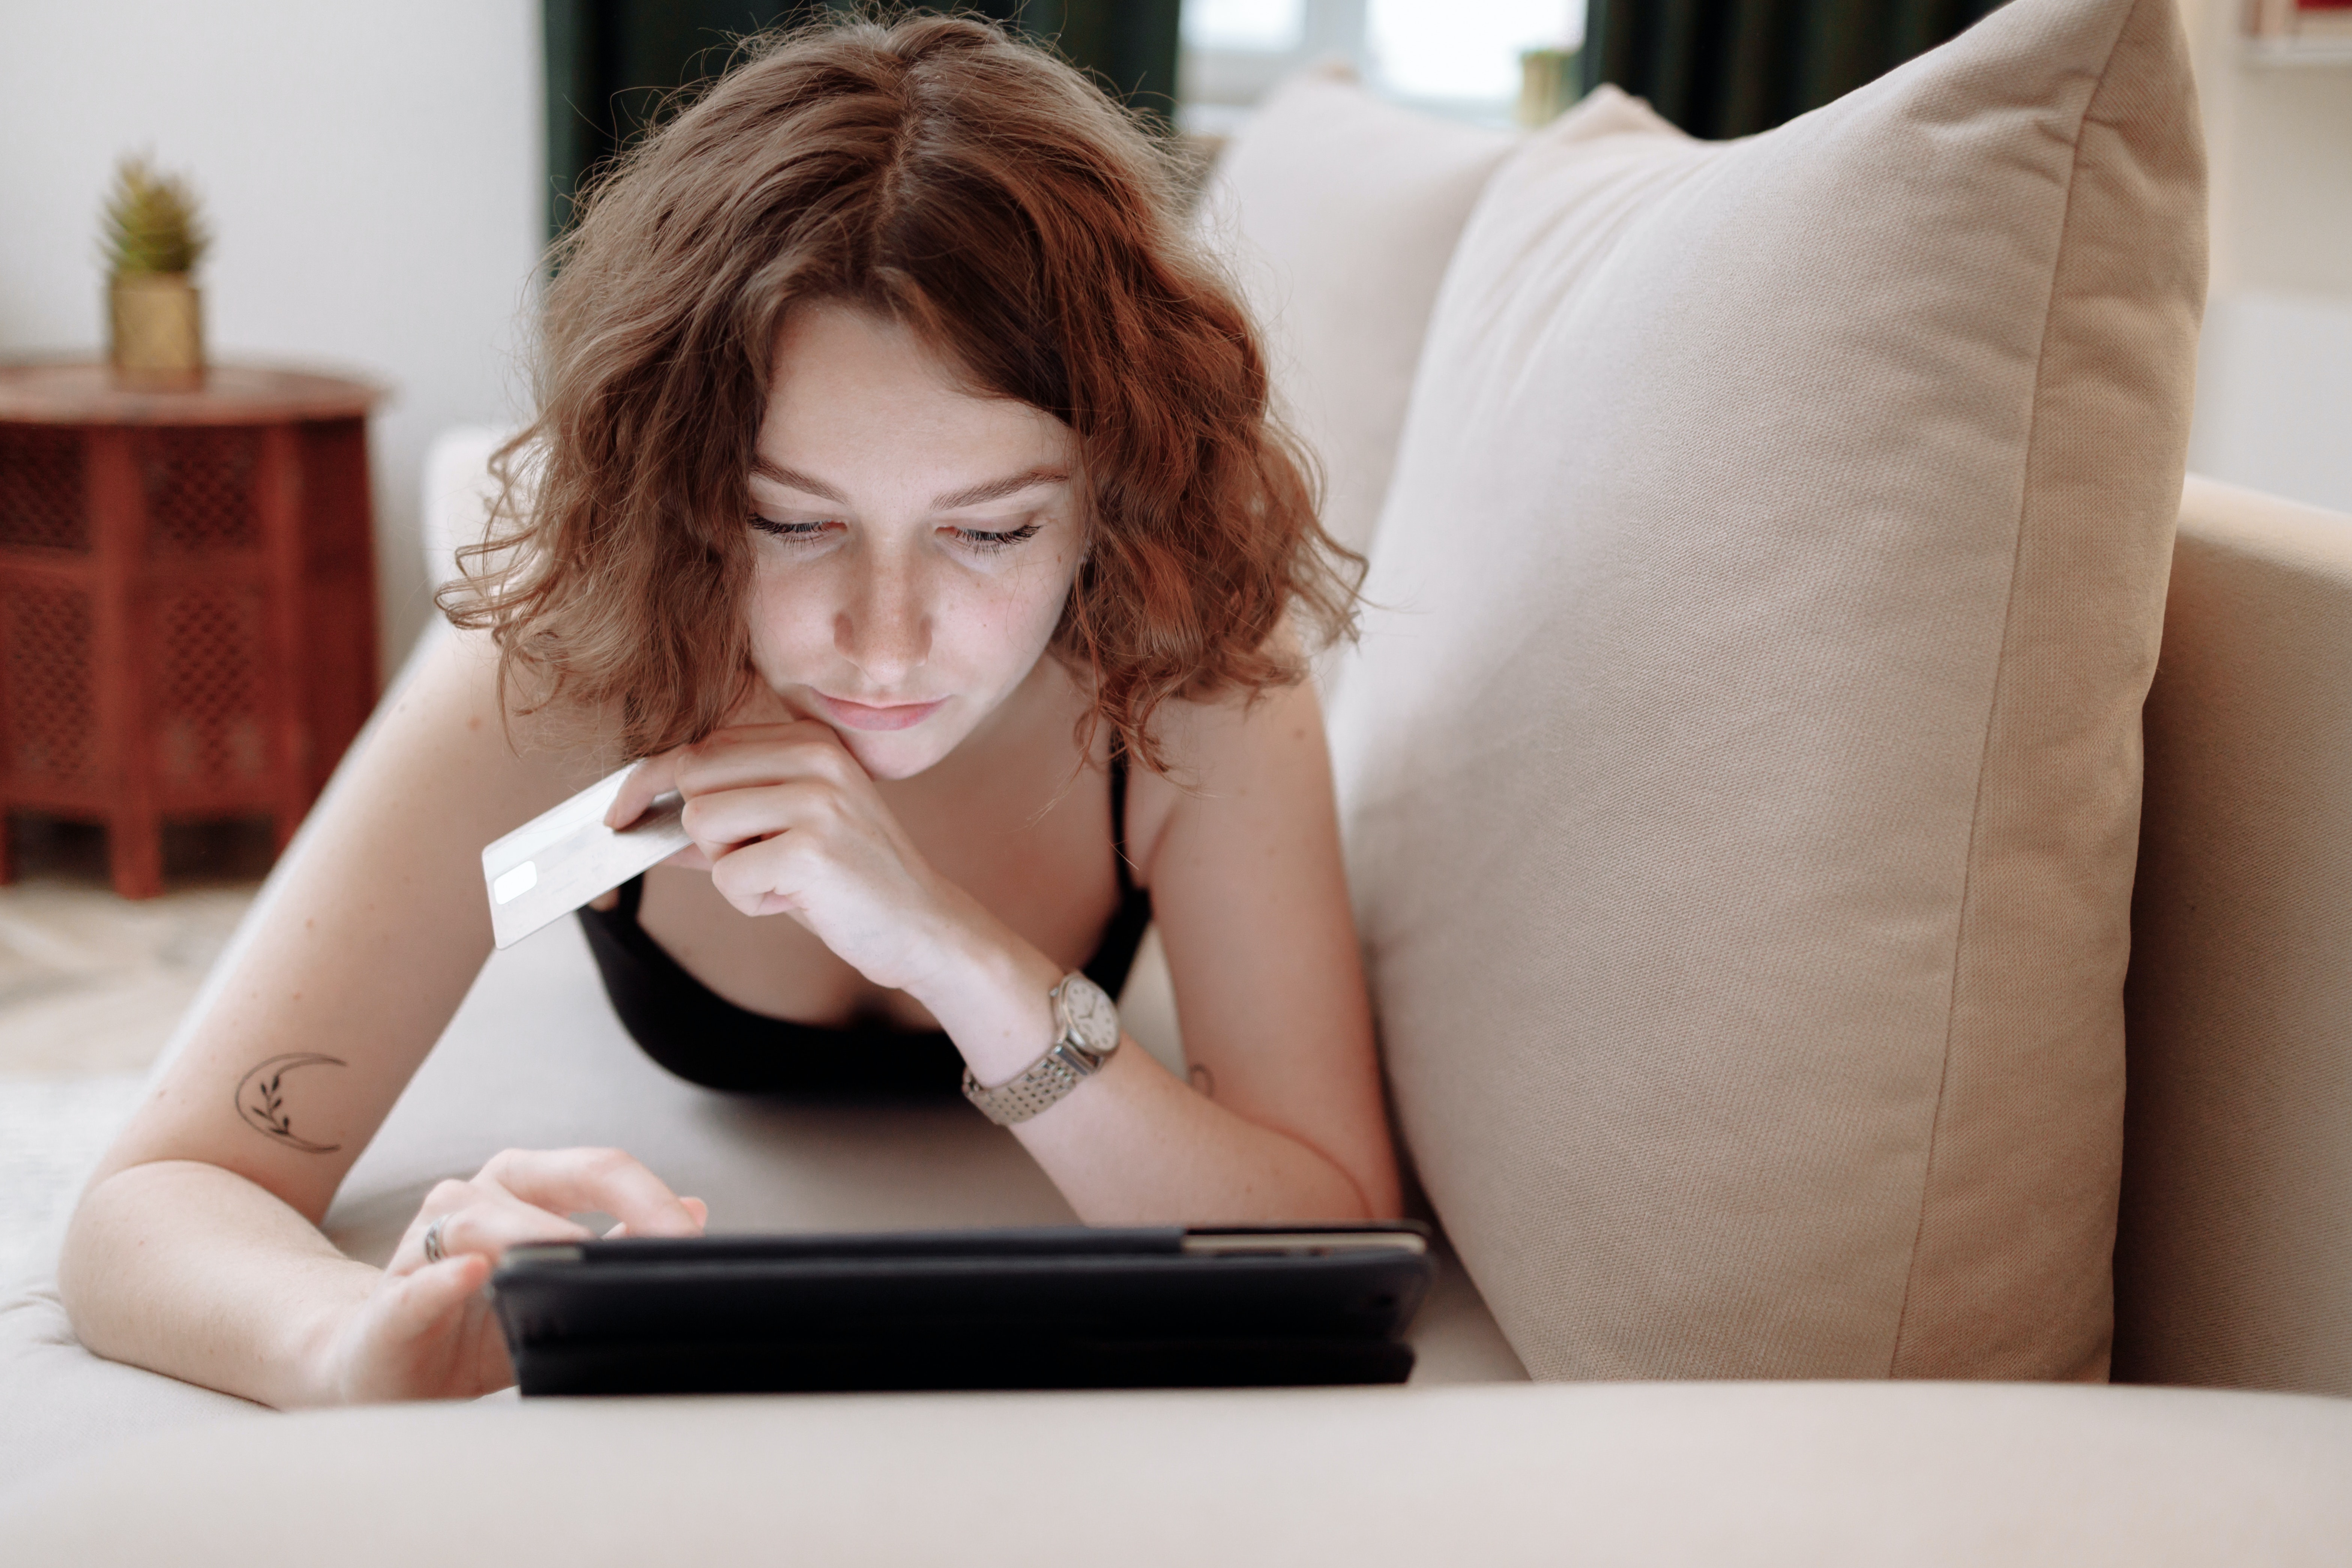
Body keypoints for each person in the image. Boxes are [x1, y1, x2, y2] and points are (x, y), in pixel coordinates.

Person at [57, 12, 1400, 1408]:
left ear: (1104, 504)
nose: (885, 643)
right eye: (792, 521)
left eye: (992, 534)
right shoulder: (572, 664)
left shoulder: (1189, 666)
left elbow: (1340, 1230)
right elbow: (150, 1199)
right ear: (695, 491)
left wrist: (962, 956)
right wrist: (348, 1338)